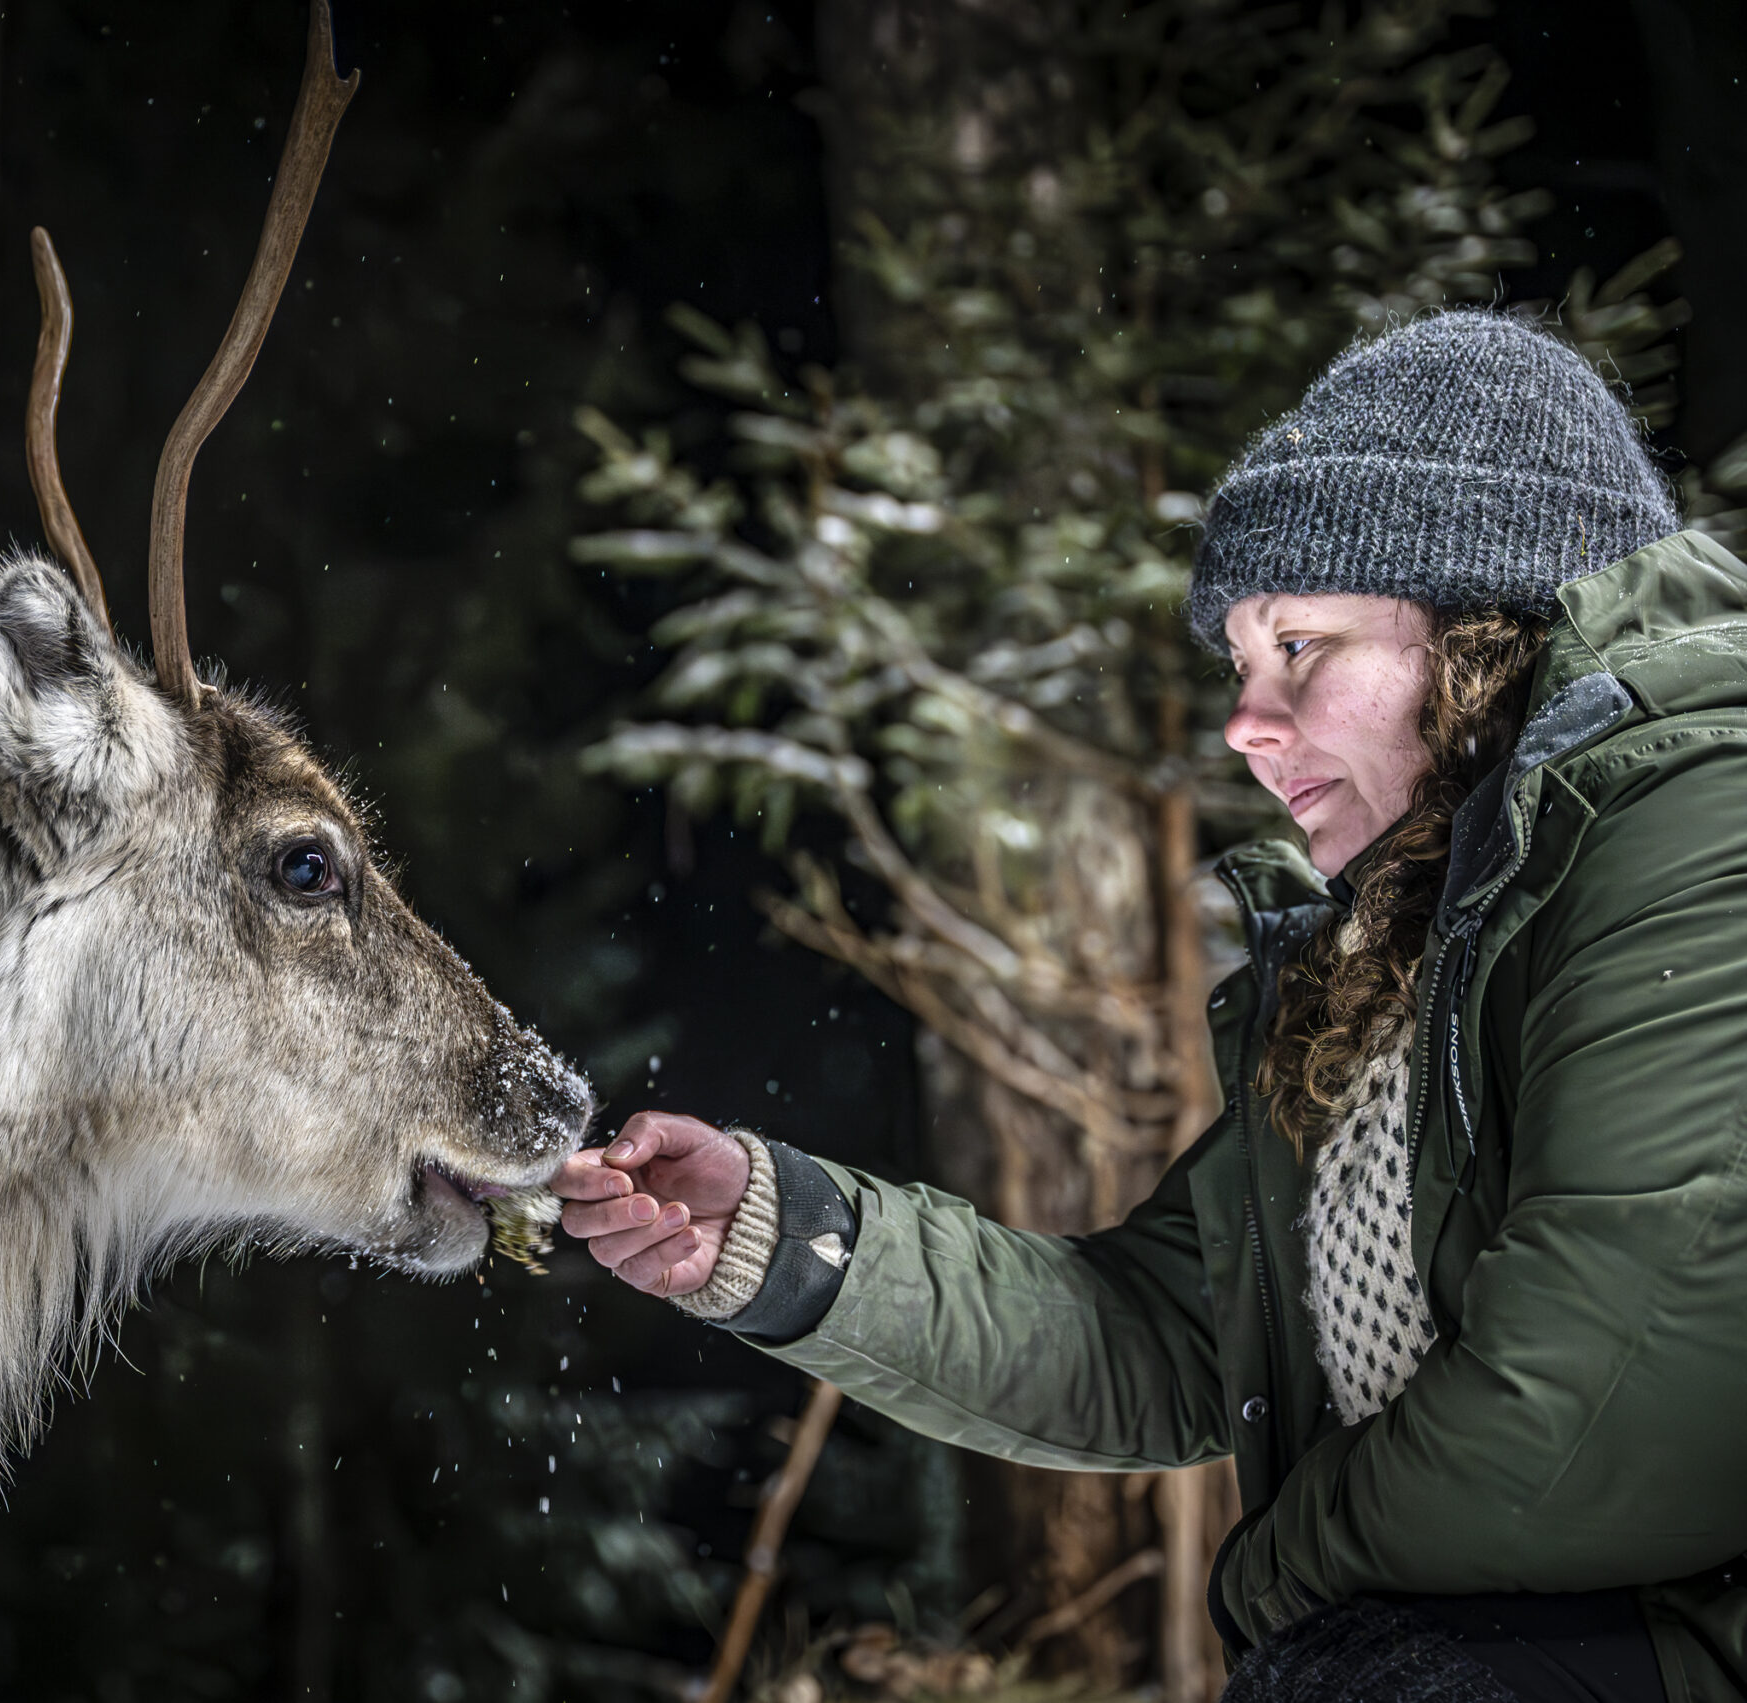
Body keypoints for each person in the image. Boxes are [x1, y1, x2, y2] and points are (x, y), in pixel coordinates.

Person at [552, 309, 1747, 1703]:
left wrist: (1271, 1591)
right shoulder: (1388, 965)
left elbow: (1612, 1413)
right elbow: (1171, 1336)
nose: (1246, 721)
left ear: (1486, 622)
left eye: (1302, 645)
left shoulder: (1697, 820)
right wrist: (782, 1237)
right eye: (1239, 665)